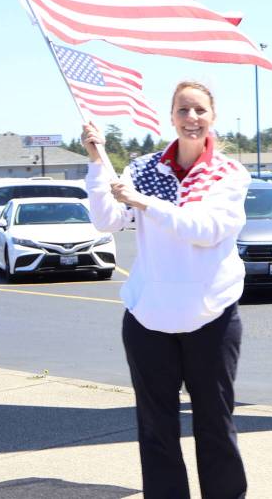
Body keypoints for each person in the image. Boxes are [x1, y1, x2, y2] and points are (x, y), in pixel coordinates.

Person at [81, 80, 250, 499]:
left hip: (211, 317)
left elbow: (206, 230)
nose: (191, 118)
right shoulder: (143, 169)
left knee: (214, 423)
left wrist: (144, 203)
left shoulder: (228, 173)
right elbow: (106, 219)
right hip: (148, 317)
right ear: (171, 116)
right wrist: (97, 163)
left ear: (213, 116)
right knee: (156, 427)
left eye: (199, 110)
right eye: (182, 110)